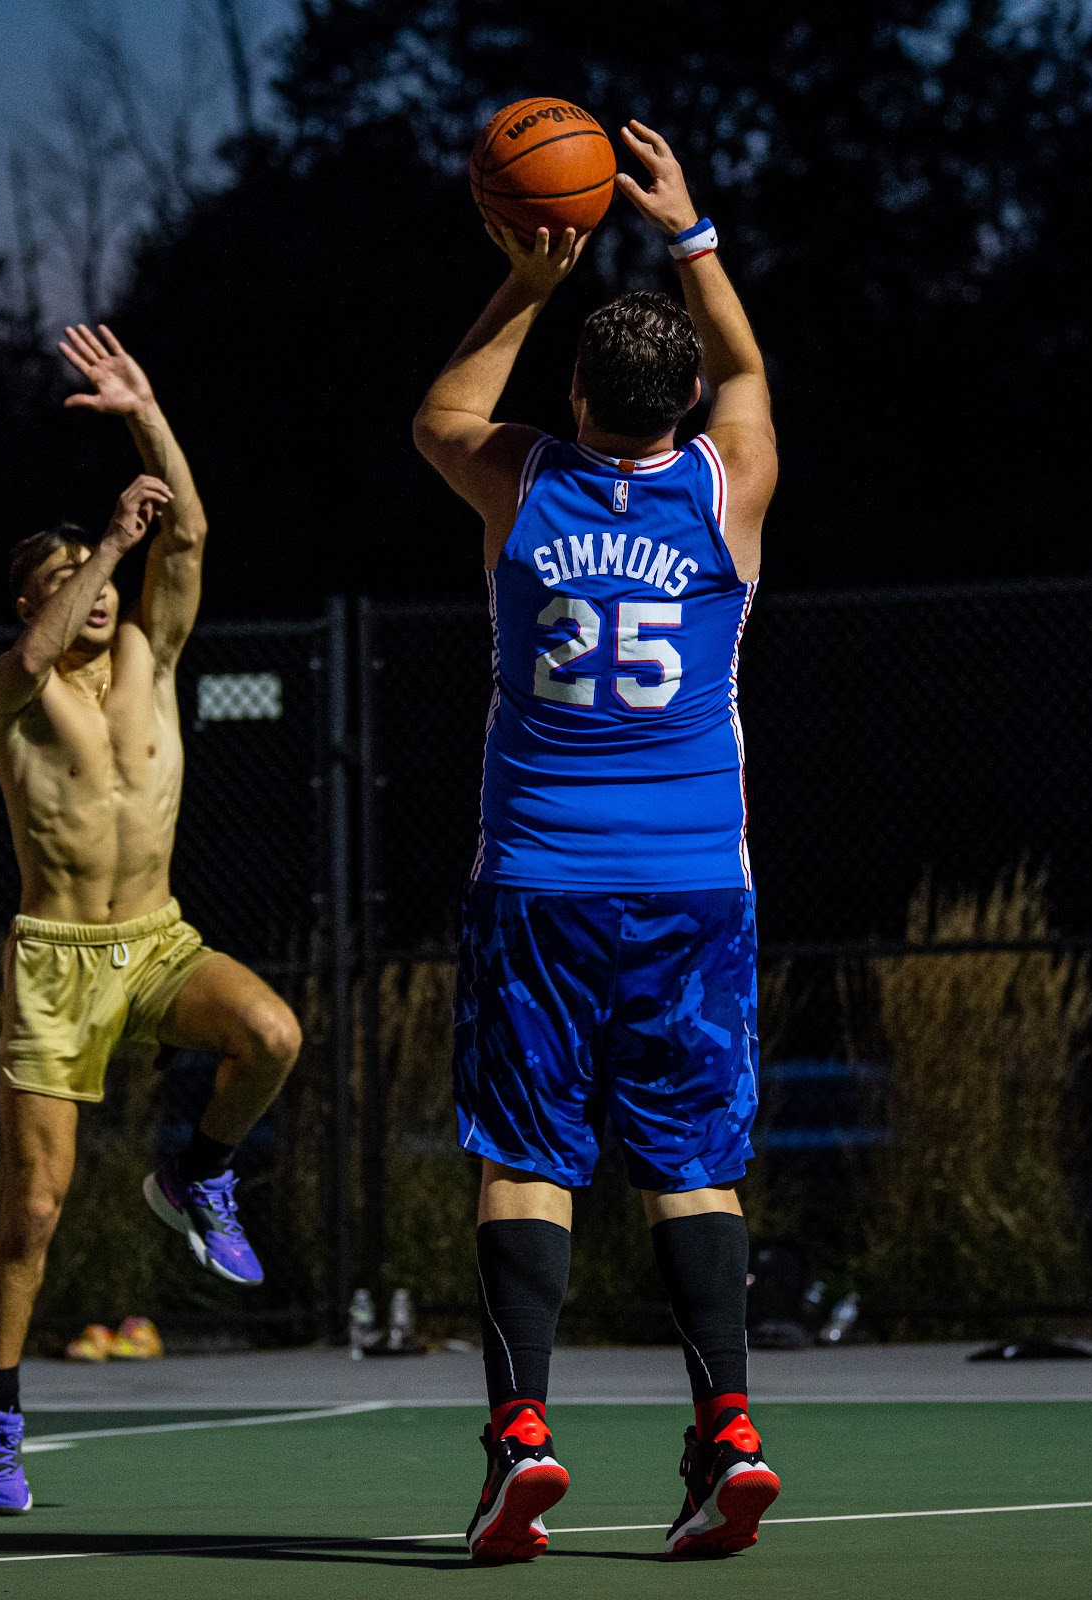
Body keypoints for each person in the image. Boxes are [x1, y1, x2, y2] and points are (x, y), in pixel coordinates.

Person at [412, 121, 782, 1563]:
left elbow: (439, 414)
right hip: (694, 885)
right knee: (693, 1163)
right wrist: (689, 232)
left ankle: (521, 1438)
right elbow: (746, 373)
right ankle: (729, 1429)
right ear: (682, 402)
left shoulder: (523, 482)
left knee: (526, 1156)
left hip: (540, 883)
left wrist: (528, 277)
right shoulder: (725, 487)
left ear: (573, 395)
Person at [0, 325, 303, 1516]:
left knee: (271, 1034)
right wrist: (105, 541)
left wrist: (146, 415)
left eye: (105, 576)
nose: (101, 592)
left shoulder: (152, 658)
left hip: (155, 942)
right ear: (36, 597)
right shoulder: (16, 690)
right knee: (33, 1209)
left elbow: (189, 534)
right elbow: (37, 645)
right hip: (56, 966)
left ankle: (197, 1175)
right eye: (70, 579)